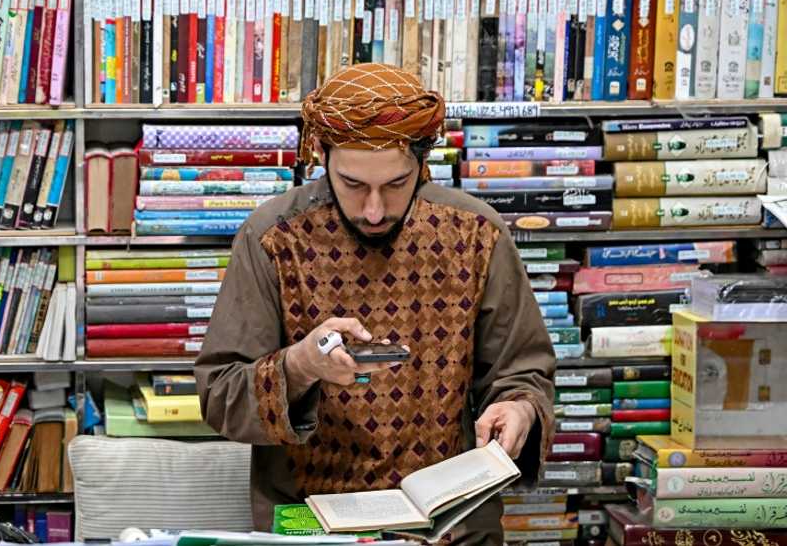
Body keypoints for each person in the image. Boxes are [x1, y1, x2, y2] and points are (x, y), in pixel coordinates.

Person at [194, 63, 556, 545]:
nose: (374, 210)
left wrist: (520, 409)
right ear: (320, 155)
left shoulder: (477, 233)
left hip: (452, 527)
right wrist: (299, 367)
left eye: (396, 184)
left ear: (422, 163)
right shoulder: (272, 238)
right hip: (312, 527)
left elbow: (523, 371)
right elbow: (220, 395)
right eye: (353, 185)